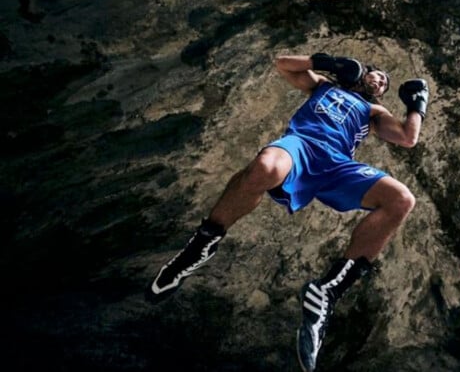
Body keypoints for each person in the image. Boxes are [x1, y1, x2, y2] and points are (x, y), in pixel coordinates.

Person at [148, 52, 429, 372]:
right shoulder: (323, 85)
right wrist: (332, 63)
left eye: (383, 83)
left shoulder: (373, 111)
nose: (379, 81)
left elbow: (408, 138)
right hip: (300, 146)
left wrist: (417, 106)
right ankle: (202, 245)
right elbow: (282, 63)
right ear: (363, 72)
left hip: (337, 165)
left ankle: (329, 292)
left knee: (402, 199)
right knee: (264, 168)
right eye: (376, 74)